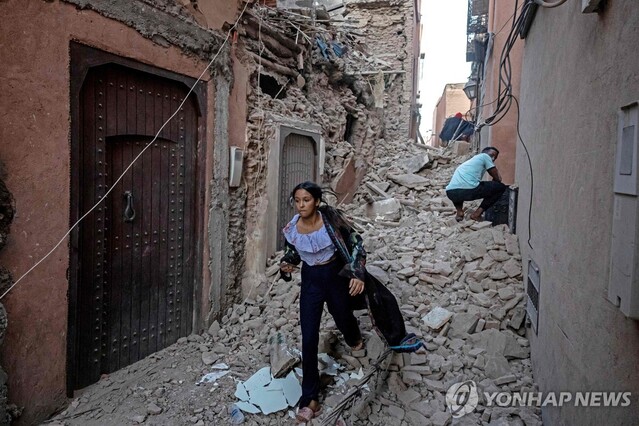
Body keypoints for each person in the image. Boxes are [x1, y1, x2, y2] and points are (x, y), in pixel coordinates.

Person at [280, 182, 366, 423]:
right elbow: (293, 253)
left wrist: (357, 273)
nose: (301, 205)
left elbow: (357, 244)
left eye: (306, 200)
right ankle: (310, 398)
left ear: (316, 201)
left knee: (342, 316)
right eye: (297, 200)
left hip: (335, 275)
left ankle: (354, 338)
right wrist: (286, 265)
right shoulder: (292, 229)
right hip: (311, 281)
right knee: (308, 336)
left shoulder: (331, 222)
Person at [446, 146, 507, 222]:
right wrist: (496, 180)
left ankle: (460, 212)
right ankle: (477, 214)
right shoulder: (484, 156)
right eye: (492, 155)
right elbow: (498, 178)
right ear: (484, 153)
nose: (493, 158)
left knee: (460, 189)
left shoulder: (469, 162)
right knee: (500, 187)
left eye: (495, 157)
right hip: (469, 190)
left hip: (450, 192)